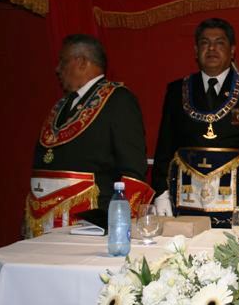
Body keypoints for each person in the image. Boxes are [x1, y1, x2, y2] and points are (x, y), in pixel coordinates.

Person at [25, 34, 151, 237]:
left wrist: (115, 223)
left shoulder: (118, 100)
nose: (57, 68)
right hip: (46, 220)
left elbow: (133, 169)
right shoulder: (63, 104)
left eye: (63, 61)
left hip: (90, 224)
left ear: (82, 62)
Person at [151, 18, 239, 227]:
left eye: (220, 43)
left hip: (238, 198)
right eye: (205, 43)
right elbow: (165, 145)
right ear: (196, 50)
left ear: (232, 50)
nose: (212, 49)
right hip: (186, 197)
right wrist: (161, 192)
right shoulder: (177, 90)